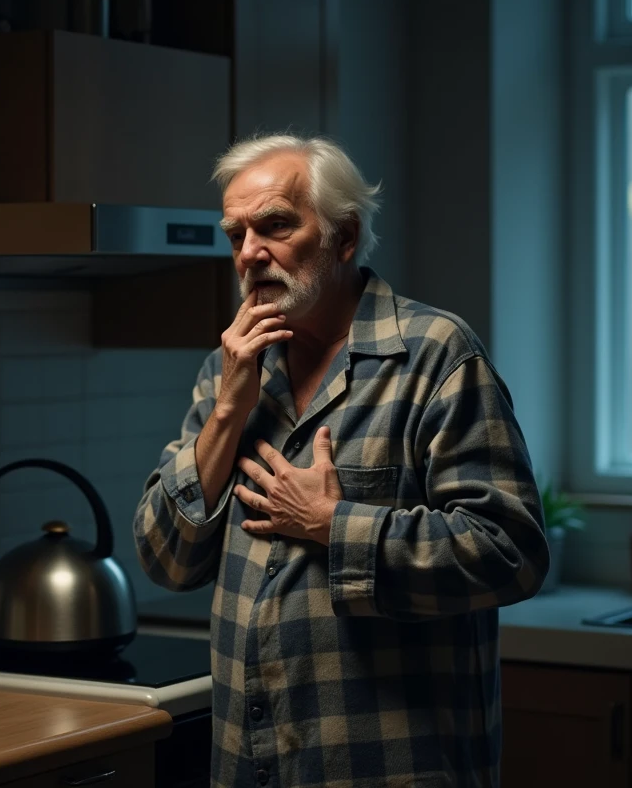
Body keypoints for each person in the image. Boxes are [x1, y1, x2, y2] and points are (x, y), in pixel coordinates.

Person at [133, 133, 549, 788]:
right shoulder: (228, 370)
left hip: (386, 769)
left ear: (344, 237)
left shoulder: (435, 354)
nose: (249, 254)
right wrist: (228, 412)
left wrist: (332, 524)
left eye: (274, 226)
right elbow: (165, 559)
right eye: (235, 234)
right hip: (250, 766)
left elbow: (512, 553)